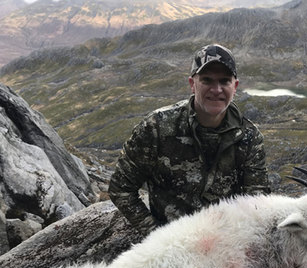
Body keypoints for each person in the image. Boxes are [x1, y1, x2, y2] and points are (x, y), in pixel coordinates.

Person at [108, 44, 271, 236]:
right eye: (207, 80)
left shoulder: (249, 137)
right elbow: (121, 188)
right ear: (192, 84)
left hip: (224, 244)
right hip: (170, 244)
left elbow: (257, 202)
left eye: (224, 81)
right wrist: (155, 234)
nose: (216, 89)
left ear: (234, 87)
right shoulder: (157, 127)